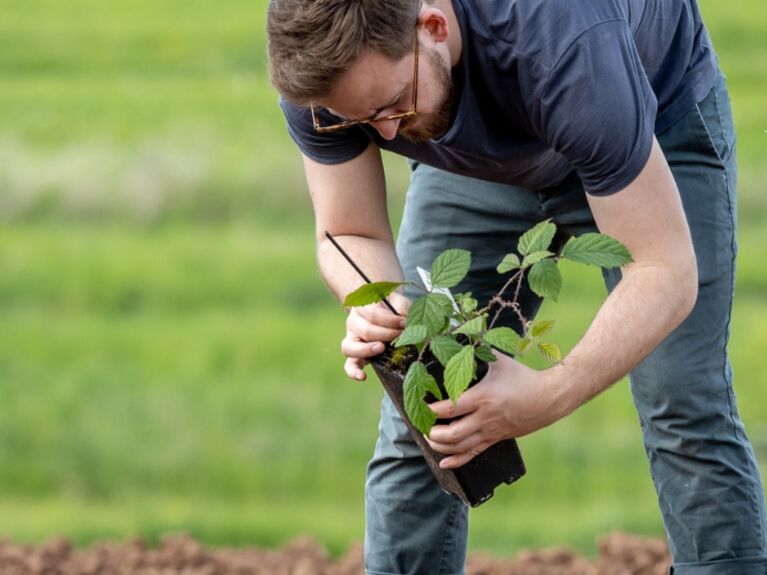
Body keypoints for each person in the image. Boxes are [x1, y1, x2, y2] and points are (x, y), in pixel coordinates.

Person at [266, 0, 767, 573]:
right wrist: (380, 301)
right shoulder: (322, 74)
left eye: (392, 106)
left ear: (432, 26)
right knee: (425, 407)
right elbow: (346, 231)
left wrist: (549, 394)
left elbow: (664, 272)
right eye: (357, 121)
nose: (384, 134)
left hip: (646, 120)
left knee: (682, 404)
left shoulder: (565, 44)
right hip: (473, 164)